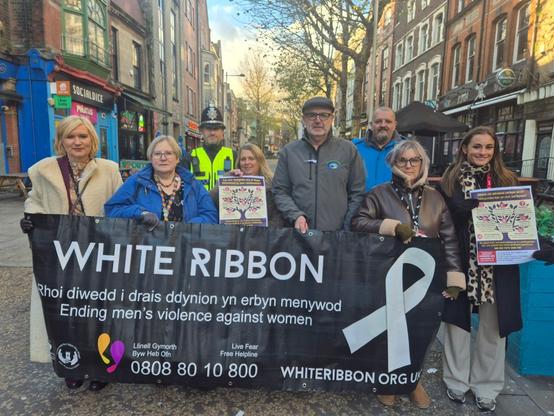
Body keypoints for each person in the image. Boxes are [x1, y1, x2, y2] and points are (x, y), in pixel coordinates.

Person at [351, 140, 465, 409]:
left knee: (419, 331)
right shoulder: (379, 194)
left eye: (415, 160)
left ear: (423, 164)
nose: (409, 165)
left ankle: (413, 382)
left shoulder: (436, 198)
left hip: (426, 276)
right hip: (387, 273)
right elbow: (358, 222)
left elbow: (449, 239)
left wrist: (454, 277)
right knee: (389, 330)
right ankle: (388, 381)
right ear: (393, 163)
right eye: (403, 160)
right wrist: (391, 227)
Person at [20, 115, 123, 391]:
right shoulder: (44, 170)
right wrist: (31, 220)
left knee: (98, 312)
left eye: (83, 136)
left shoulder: (109, 170)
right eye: (71, 136)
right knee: (66, 312)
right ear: (61, 141)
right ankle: (72, 365)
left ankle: (101, 368)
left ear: (92, 140)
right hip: (60, 255)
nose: (77, 142)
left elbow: (120, 206)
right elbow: (35, 201)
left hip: (98, 254)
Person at [439, 126, 520, 412]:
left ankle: (486, 387)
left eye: (488, 147)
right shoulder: (449, 182)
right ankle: (455, 381)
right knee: (457, 325)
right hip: (461, 262)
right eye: (477, 147)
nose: (482, 152)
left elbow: (521, 220)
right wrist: (473, 206)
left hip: (498, 267)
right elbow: (444, 222)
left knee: (493, 328)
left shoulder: (507, 180)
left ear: (495, 150)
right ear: (464, 148)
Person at [272, 96, 366, 232]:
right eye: (311, 115)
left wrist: (347, 227)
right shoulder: (289, 152)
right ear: (303, 119)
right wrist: (295, 215)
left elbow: (357, 193)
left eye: (324, 115)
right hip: (298, 236)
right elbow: (280, 191)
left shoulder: (348, 150)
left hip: (336, 237)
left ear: (332, 119)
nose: (318, 120)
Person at [105, 135, 217, 226]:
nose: (163, 158)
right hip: (147, 248)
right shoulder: (137, 181)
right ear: (151, 158)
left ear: (177, 158)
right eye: (157, 154)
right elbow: (112, 209)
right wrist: (140, 213)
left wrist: (187, 228)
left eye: (168, 153)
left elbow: (211, 215)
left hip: (185, 248)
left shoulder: (192, 184)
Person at [210, 143, 284, 228]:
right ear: (239, 162)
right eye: (243, 159)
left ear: (259, 161)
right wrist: (225, 181)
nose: (247, 162)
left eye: (251, 158)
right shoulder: (230, 182)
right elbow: (209, 201)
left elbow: (279, 217)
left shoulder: (273, 184)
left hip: (263, 237)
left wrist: (262, 231)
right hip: (234, 237)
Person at [353, 106, 406, 191]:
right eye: (378, 121)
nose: (383, 125)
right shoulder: (355, 148)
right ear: (371, 125)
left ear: (395, 125)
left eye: (388, 121)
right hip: (361, 203)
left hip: (394, 203)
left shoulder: (406, 149)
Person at [190, 104, 234, 190]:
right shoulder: (189, 157)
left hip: (225, 203)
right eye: (208, 129)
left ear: (222, 132)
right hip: (199, 203)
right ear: (201, 131)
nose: (212, 133)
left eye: (216, 129)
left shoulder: (234, 156)